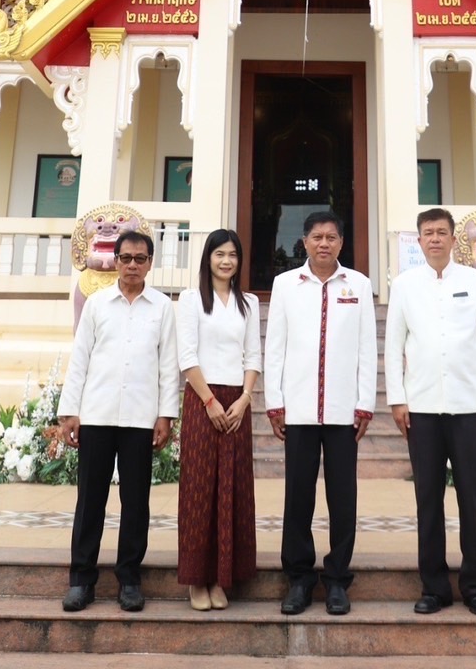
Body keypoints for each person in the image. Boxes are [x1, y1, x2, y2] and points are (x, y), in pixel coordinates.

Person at [384, 207, 476, 616]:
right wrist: (397, 400)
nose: (434, 239)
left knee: (472, 499)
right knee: (428, 501)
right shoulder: (404, 285)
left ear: (454, 239)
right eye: (427, 233)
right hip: (422, 409)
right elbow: (393, 347)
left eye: (441, 232)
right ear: (419, 241)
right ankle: (434, 588)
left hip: (470, 408)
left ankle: (475, 587)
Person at [263, 209, 377, 617]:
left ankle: (337, 580)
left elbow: (367, 348)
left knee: (343, 499)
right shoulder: (285, 285)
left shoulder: (358, 285)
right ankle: (298, 579)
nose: (324, 243)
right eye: (317, 237)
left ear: (341, 242)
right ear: (305, 242)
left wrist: (366, 403)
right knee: (298, 497)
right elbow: (275, 347)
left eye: (331, 237)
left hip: (345, 411)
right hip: (298, 408)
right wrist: (274, 401)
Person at [57, 228, 178, 613]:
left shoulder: (162, 307)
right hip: (97, 414)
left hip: (141, 419)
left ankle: (129, 579)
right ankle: (81, 580)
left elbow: (169, 366)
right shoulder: (97, 304)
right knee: (90, 500)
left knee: (136, 502)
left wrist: (166, 415)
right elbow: (80, 358)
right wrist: (69, 411)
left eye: (140, 259)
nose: (132, 265)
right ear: (116, 261)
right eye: (126, 258)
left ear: (150, 263)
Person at [176, 228, 261, 611]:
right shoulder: (192, 299)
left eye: (233, 255)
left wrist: (245, 399)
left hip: (237, 403)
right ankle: (197, 579)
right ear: (207, 258)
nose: (226, 261)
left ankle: (223, 577)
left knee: (232, 487)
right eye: (219, 254)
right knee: (200, 487)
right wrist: (209, 400)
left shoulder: (249, 303)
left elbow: (253, 356)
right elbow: (187, 355)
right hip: (202, 400)